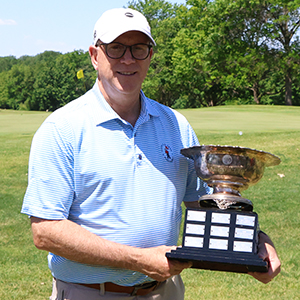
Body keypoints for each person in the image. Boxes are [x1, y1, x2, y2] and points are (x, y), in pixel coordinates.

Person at [21, 7, 280, 300]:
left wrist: (256, 241)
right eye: (116, 48)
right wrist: (138, 259)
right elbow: (45, 231)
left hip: (164, 292)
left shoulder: (176, 126)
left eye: (139, 48)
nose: (128, 59)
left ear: (150, 56)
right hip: (90, 292)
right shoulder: (62, 129)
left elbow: (208, 205)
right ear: (95, 56)